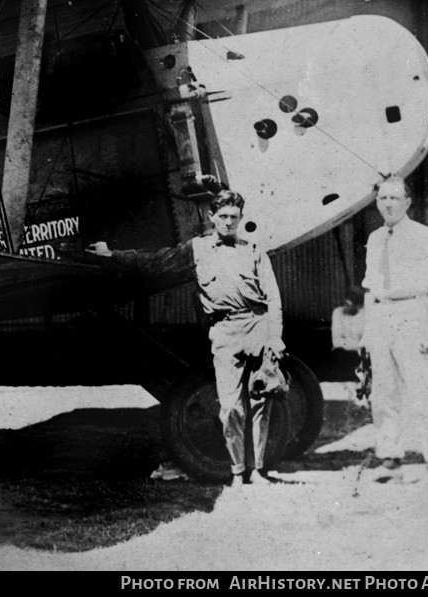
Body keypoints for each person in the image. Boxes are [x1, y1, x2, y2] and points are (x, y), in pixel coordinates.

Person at [90, 189, 284, 487]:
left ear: (241, 218)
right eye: (223, 217)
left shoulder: (255, 250)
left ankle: (257, 470)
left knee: (260, 405)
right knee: (231, 407)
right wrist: (111, 256)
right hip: (225, 332)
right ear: (212, 218)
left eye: (234, 217)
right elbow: (155, 261)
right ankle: (236, 472)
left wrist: (275, 339)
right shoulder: (198, 249)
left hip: (257, 327)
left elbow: (273, 299)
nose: (229, 222)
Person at [360, 177, 428, 485]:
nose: (388, 203)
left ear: (408, 202)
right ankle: (391, 460)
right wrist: (367, 332)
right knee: (383, 393)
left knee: (423, 390)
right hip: (381, 316)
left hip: (412, 312)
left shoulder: (424, 236)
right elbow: (370, 288)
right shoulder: (374, 238)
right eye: (383, 198)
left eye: (395, 198)